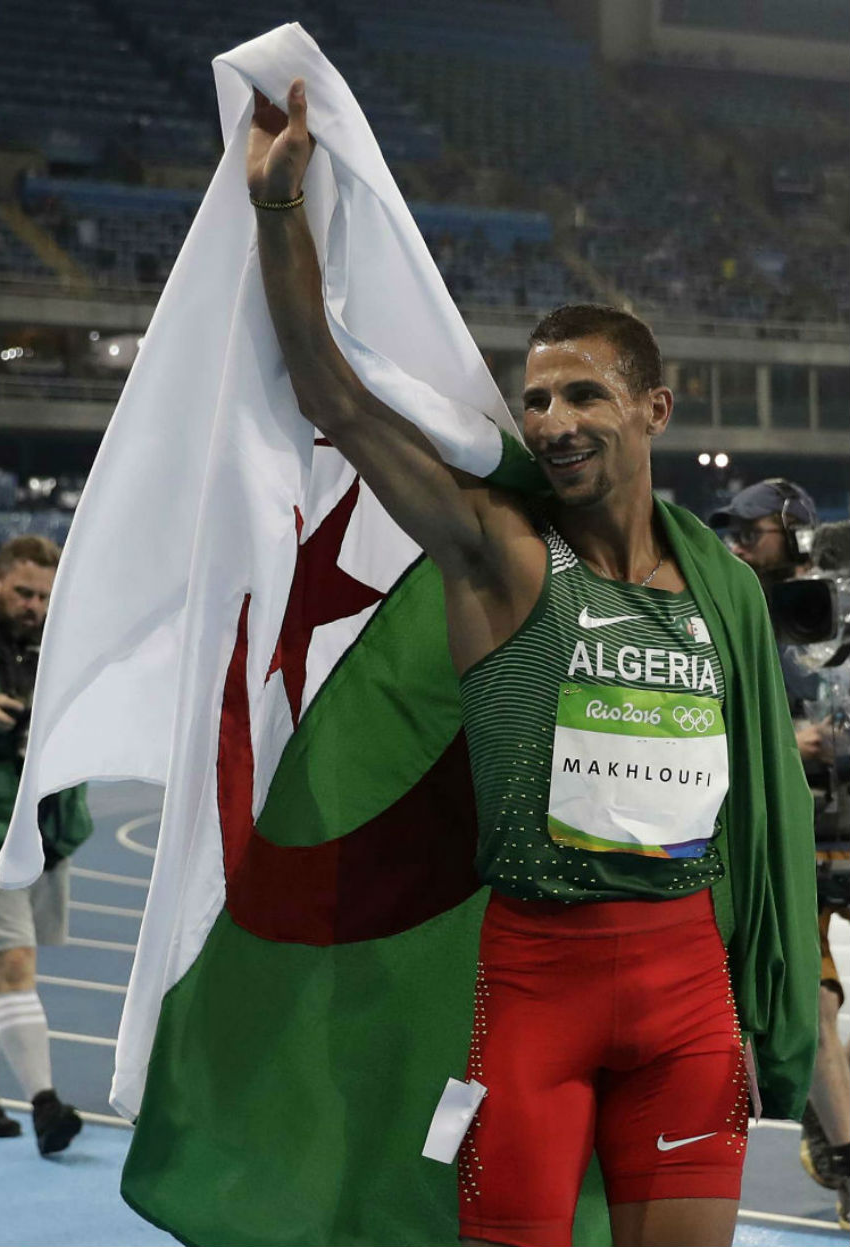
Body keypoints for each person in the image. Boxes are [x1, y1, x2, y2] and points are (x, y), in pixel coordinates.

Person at [246, 81, 817, 1247]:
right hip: (537, 990)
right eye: (537, 397)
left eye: (583, 393)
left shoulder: (723, 594)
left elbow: (765, 804)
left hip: (687, 995)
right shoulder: (500, 558)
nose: (551, 418)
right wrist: (278, 208)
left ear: (656, 406)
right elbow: (336, 399)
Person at [710, 479, 850, 1230]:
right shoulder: (732, 610)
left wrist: (835, 743)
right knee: (807, 998)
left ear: (797, 532)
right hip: (790, 834)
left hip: (840, 818)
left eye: (751, 532)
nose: (737, 544)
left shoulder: (842, 606)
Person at [0, 535, 92, 1154]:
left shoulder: (58, 644)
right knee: (14, 963)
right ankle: (45, 1103)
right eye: (24, 591)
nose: (34, 604)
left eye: (43, 595)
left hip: (45, 825)